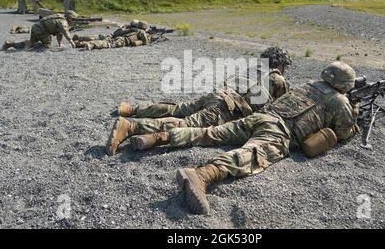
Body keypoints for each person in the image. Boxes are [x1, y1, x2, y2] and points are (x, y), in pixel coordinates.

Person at [106, 61, 360, 214]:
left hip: (258, 117)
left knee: (209, 134)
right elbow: (344, 132)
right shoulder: (338, 101)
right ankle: (203, 175)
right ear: (345, 84)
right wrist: (354, 113)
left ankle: (156, 137)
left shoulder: (308, 85)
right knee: (251, 154)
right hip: (279, 131)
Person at [106, 47, 292, 156]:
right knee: (185, 123)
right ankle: (130, 128)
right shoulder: (278, 80)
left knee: (178, 109)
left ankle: (132, 109)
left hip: (217, 95)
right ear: (281, 64)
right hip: (226, 107)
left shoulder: (252, 68)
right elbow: (280, 109)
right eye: (285, 66)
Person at [2, 10, 77, 50]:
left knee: (31, 43)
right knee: (48, 46)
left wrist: (60, 43)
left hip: (36, 27)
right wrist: (71, 42)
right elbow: (65, 31)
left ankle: (10, 44)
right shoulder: (63, 21)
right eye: (72, 19)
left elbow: (59, 33)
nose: (73, 21)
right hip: (42, 30)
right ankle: (33, 46)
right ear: (68, 17)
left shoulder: (60, 19)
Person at [74, 20, 151, 51]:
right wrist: (149, 37)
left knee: (105, 40)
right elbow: (145, 42)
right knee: (109, 44)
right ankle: (91, 44)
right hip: (124, 40)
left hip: (119, 37)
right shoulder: (141, 31)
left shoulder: (132, 29)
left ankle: (81, 43)